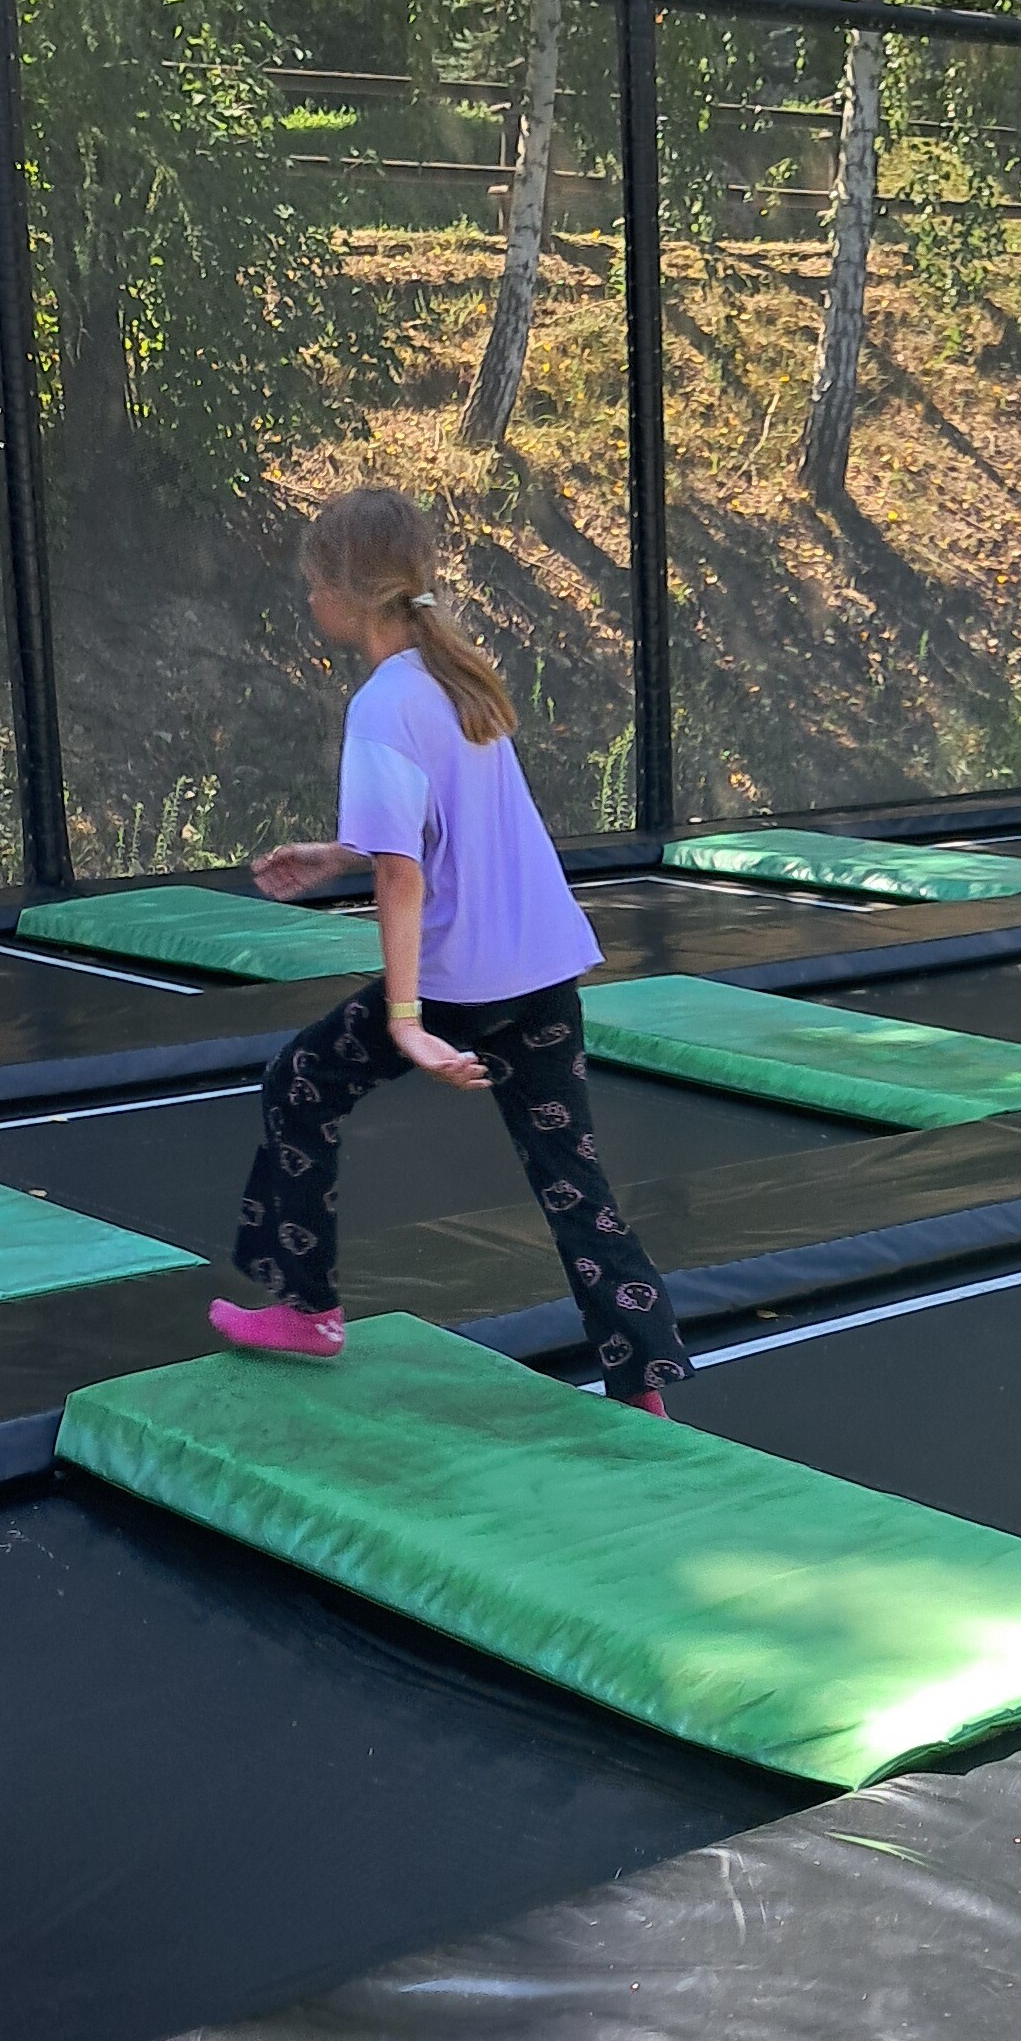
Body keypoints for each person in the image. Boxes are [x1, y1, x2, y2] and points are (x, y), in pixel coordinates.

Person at [218, 485, 689, 1411]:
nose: (307, 599)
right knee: (572, 1180)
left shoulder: (382, 703)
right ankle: (643, 1385)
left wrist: (406, 1021)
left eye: (313, 583)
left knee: (298, 1083)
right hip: (542, 967)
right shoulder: (454, 676)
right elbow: (435, 828)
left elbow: (405, 876)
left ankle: (308, 1309)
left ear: (348, 595)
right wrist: (337, 852)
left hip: (463, 982)